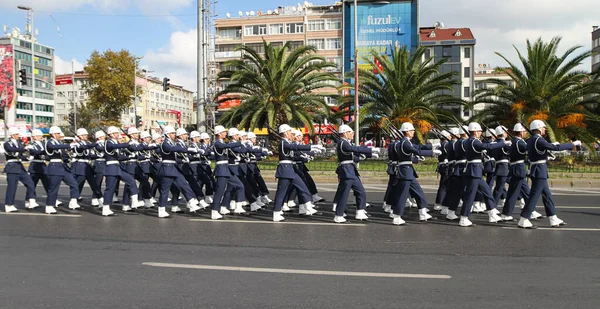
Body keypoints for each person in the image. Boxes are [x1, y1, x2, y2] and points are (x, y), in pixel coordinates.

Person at [518, 120, 580, 228]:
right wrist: (573, 144)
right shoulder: (538, 140)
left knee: (547, 195)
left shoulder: (530, 140)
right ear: (538, 128)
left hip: (537, 169)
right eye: (543, 128)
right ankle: (523, 219)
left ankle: (553, 217)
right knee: (534, 195)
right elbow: (556, 148)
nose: (544, 130)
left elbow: (537, 153)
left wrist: (547, 154)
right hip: (539, 170)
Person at [458, 122, 508, 227]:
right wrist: (502, 143)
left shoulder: (469, 141)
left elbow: (484, 147)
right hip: (474, 171)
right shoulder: (473, 141)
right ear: (475, 131)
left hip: (476, 171)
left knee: (487, 192)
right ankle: (463, 218)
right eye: (480, 131)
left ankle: (492, 213)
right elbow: (487, 146)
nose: (481, 133)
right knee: (470, 195)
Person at [390, 122, 440, 225]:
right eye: (412, 130)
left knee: (418, 192)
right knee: (403, 195)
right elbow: (415, 150)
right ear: (407, 131)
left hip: (408, 171)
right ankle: (397, 216)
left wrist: (432, 147)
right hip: (405, 171)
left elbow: (418, 147)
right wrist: (432, 153)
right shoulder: (405, 143)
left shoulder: (406, 142)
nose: (413, 132)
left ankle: (422, 212)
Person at [272, 124, 324, 222]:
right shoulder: (283, 143)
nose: (292, 134)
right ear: (285, 133)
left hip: (290, 170)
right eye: (290, 133)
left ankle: (308, 207)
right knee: (281, 193)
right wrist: (310, 147)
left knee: (303, 187)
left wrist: (309, 153)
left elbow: (295, 153)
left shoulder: (287, 142)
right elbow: (294, 147)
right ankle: (276, 213)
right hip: (285, 170)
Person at [332, 124, 379, 223]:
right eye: (351, 132)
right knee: (344, 194)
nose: (352, 134)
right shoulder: (342, 142)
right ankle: (338, 215)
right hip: (346, 171)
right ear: (344, 133)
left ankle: (360, 211)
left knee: (360, 191)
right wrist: (369, 150)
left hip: (351, 170)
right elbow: (354, 150)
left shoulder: (346, 143)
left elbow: (353, 155)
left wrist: (367, 155)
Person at [156, 126, 202, 217]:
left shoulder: (171, 143)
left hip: (173, 168)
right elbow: (173, 149)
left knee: (184, 184)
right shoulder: (164, 143)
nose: (174, 135)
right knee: (165, 190)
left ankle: (191, 202)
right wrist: (188, 149)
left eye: (174, 133)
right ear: (167, 134)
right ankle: (161, 210)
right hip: (167, 168)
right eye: (172, 133)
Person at [45, 126, 82, 214]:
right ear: (53, 134)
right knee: (53, 188)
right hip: (54, 167)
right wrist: (70, 145)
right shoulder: (49, 143)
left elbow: (64, 155)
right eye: (57, 133)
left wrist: (70, 156)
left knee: (73, 183)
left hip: (62, 167)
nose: (59, 135)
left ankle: (73, 201)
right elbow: (54, 147)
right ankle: (49, 206)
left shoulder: (58, 142)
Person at [210, 126, 244, 219]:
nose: (226, 133)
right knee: (219, 192)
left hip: (227, 169)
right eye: (224, 132)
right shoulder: (217, 143)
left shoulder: (222, 143)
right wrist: (240, 143)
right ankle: (214, 211)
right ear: (219, 134)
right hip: (221, 170)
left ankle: (237, 206)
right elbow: (226, 146)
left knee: (239, 185)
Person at [3, 127, 36, 213]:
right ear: (12, 135)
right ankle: (9, 205)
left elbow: (20, 155)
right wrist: (24, 148)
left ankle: (30, 200)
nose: (18, 136)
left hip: (19, 166)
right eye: (17, 134)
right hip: (12, 167)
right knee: (12, 187)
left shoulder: (19, 143)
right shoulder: (7, 144)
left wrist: (27, 158)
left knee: (30, 183)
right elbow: (11, 150)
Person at [71, 128, 102, 206]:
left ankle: (101, 200)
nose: (86, 136)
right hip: (80, 166)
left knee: (94, 184)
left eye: (86, 135)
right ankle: (73, 201)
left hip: (87, 166)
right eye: (84, 135)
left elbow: (88, 155)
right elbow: (83, 148)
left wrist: (97, 156)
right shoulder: (77, 144)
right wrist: (96, 143)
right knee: (78, 184)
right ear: (79, 136)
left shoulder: (86, 143)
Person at [27, 129, 49, 209]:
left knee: (48, 183)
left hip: (43, 165)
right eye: (39, 136)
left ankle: (52, 198)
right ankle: (30, 200)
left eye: (41, 136)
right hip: (35, 165)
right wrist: (44, 152)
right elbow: (36, 152)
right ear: (34, 137)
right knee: (32, 185)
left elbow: (47, 155)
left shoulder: (43, 144)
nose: (41, 137)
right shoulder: (32, 145)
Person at [433, 130, 451, 211]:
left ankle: (440, 202)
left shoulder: (442, 144)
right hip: (445, 166)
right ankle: (439, 203)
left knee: (444, 185)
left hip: (442, 166)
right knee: (444, 186)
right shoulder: (446, 144)